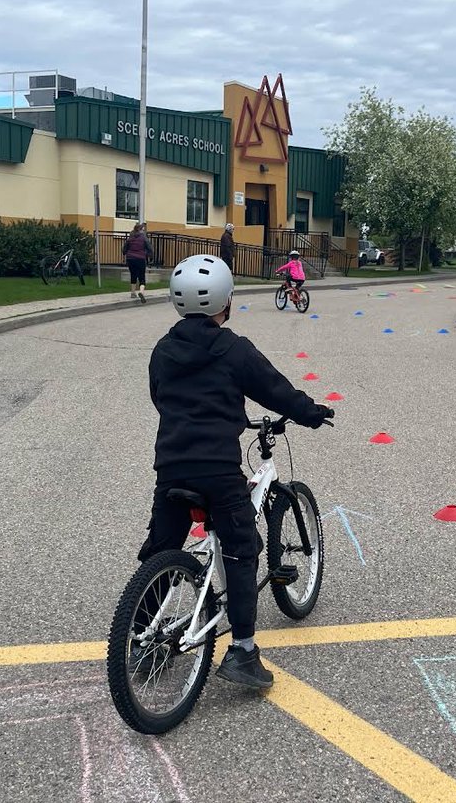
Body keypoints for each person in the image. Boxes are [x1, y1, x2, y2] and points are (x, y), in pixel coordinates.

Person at [142, 254, 333, 688]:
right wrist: (310, 413)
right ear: (225, 302)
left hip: (170, 467)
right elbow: (275, 390)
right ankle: (244, 652)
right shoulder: (234, 348)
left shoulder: (163, 350)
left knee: (161, 547)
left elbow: (160, 396)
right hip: (218, 472)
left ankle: (139, 634)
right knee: (242, 549)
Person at [125, 223, 152, 303]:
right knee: (141, 276)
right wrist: (150, 255)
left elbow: (125, 247)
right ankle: (141, 291)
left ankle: (133, 292)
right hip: (140, 258)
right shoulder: (143, 238)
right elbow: (149, 247)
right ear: (140, 230)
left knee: (133, 274)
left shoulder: (130, 237)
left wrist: (125, 253)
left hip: (130, 259)